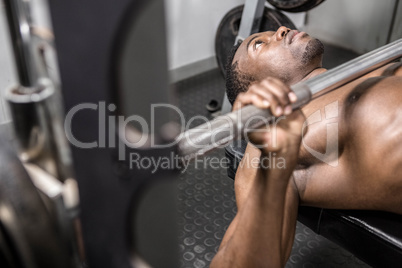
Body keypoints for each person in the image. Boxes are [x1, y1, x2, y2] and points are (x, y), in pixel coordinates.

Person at [210, 26, 402, 267]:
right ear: (254, 88)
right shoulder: (269, 145)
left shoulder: (367, 66)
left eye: (272, 31)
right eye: (258, 44)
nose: (280, 29)